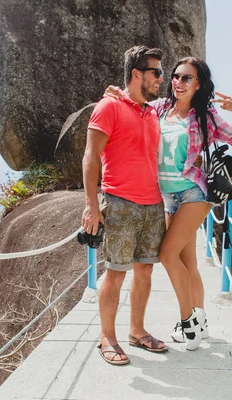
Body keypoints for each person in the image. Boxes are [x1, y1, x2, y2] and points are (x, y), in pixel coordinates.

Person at [106, 57, 232, 350]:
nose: (178, 82)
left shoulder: (206, 116)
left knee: (167, 254)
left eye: (187, 78)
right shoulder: (160, 109)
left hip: (193, 194)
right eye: (175, 76)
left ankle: (188, 324)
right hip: (163, 196)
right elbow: (132, 111)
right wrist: (116, 96)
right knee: (188, 263)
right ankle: (201, 323)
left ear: (199, 84)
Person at [82, 45, 169, 366]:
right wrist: (91, 205)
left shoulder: (151, 111)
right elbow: (90, 157)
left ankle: (137, 330)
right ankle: (107, 336)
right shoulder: (109, 106)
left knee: (145, 270)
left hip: (152, 203)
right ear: (136, 74)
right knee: (116, 273)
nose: (161, 78)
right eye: (156, 72)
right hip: (119, 202)